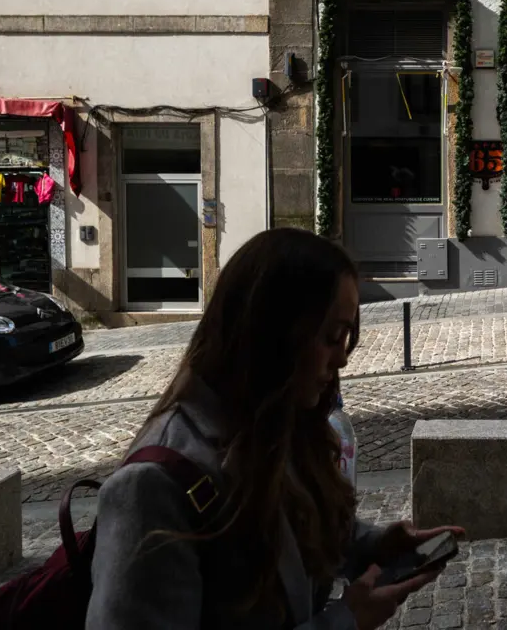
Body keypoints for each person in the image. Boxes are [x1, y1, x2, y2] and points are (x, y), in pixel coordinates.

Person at [86, 228, 463, 630]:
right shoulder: (152, 487)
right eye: (333, 336)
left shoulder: (280, 427)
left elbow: (299, 539)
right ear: (274, 335)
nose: (343, 360)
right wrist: (345, 621)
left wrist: (376, 546)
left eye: (347, 338)